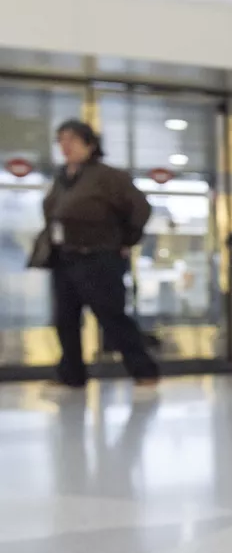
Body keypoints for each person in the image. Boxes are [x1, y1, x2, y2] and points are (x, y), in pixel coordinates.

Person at [40, 120, 159, 392]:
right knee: (65, 319)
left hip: (99, 257)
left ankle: (144, 370)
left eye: (72, 139)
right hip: (65, 257)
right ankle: (71, 374)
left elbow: (140, 208)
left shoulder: (108, 177)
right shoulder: (62, 178)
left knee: (111, 316)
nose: (65, 146)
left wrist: (126, 240)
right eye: (61, 140)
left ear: (90, 144)